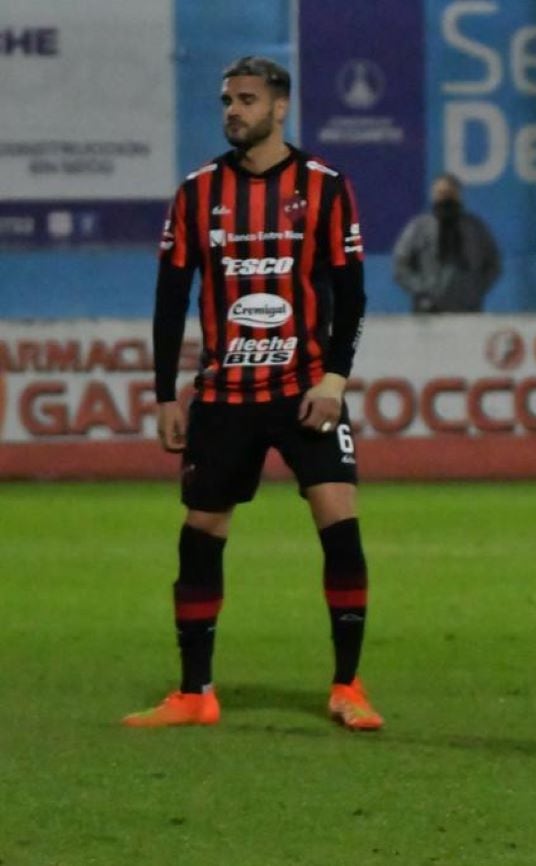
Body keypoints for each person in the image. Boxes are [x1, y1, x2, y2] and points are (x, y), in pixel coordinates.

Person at [124, 56, 383, 731]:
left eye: (245, 99)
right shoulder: (197, 192)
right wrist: (163, 395)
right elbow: (169, 299)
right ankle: (194, 692)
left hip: (305, 393)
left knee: (340, 523)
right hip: (224, 396)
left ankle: (347, 684)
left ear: (279, 108)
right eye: (226, 101)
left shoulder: (325, 187)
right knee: (201, 533)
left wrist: (334, 378)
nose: (232, 111)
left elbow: (352, 295)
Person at [393, 173, 501, 313]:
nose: (446, 197)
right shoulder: (418, 228)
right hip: (427, 311)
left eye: (450, 193)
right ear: (433, 196)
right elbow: (400, 266)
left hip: (468, 310)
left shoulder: (475, 228)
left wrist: (475, 290)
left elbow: (493, 263)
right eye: (441, 193)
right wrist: (422, 289)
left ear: (459, 196)